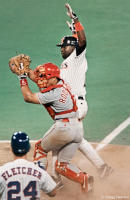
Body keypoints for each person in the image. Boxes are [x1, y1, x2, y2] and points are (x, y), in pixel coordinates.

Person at [51, 3, 113, 183]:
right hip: (71, 105)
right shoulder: (67, 64)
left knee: (61, 136)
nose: (61, 48)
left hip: (77, 105)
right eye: (60, 46)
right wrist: (73, 32)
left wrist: (75, 20)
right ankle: (102, 168)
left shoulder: (77, 57)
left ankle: (56, 179)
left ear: (72, 47)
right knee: (74, 137)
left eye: (63, 46)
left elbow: (82, 41)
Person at [13, 62, 94, 192]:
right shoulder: (60, 84)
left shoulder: (54, 93)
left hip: (64, 127)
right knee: (61, 166)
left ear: (52, 78)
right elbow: (39, 80)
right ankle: (84, 179)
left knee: (40, 149)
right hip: (78, 129)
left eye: (44, 77)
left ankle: (35, 183)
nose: (41, 79)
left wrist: (22, 78)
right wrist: (27, 71)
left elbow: (28, 97)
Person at [0, 131, 57, 200]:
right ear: (28, 148)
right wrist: (43, 171)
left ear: (11, 148)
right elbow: (53, 193)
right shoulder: (39, 171)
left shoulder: (1, 172)